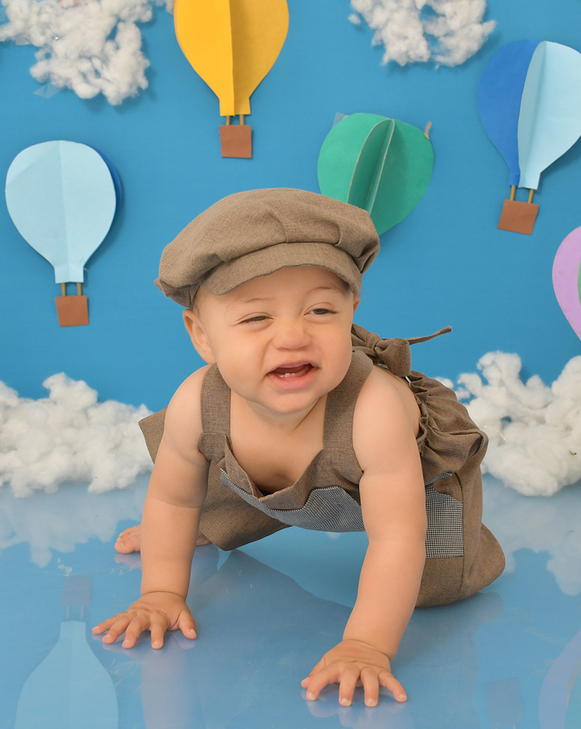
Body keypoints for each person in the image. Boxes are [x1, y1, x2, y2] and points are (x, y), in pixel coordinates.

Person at [92, 188, 504, 707]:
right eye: (256, 318)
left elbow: (397, 537)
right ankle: (219, 521)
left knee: (437, 583)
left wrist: (366, 645)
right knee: (198, 485)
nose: (292, 336)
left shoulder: (374, 411)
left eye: (320, 310)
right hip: (282, 476)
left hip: (417, 483)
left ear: (351, 312)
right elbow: (173, 499)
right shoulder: (197, 402)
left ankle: (448, 557)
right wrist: (160, 592)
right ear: (202, 335)